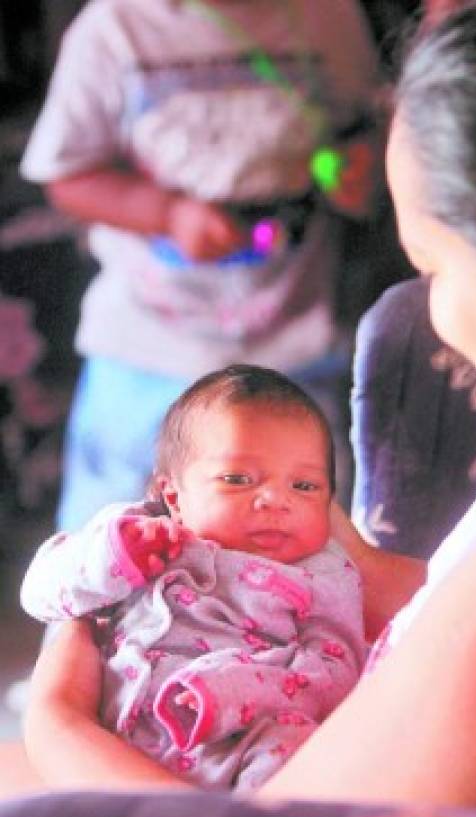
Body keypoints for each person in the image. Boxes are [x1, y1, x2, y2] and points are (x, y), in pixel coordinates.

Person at [5, 0, 476, 817]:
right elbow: (455, 610)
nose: (432, 315)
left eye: (435, 272)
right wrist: (372, 576)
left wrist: (60, 720)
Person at [20, 0, 383, 529]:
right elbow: (68, 176)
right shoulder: (114, 29)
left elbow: (364, 127)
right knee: (108, 540)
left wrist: (360, 172)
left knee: (298, 540)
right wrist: (167, 214)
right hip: (148, 349)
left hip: (295, 347)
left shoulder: (329, 15)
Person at [20, 364, 365, 791]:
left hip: (243, 745)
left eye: (305, 486)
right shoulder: (138, 535)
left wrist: (230, 691)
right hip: (115, 743)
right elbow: (40, 594)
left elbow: (336, 675)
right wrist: (115, 554)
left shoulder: (325, 575)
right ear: (173, 497)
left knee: (300, 751)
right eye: (238, 479)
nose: (276, 500)